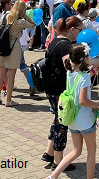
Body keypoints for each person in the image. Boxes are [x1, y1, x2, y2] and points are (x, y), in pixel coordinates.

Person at [46, 43, 99, 179]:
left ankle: (53, 176)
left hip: (72, 120)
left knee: (76, 151)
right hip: (85, 120)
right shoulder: (84, 77)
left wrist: (92, 71)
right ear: (84, 59)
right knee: (91, 151)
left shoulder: (70, 73)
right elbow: (83, 101)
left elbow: (80, 81)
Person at [41, 15, 85, 173]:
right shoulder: (66, 45)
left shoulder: (53, 41)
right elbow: (69, 65)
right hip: (60, 90)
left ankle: (49, 152)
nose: (81, 34)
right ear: (72, 30)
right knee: (62, 124)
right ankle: (58, 161)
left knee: (57, 120)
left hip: (50, 88)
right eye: (80, 30)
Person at [0, 0, 35, 107]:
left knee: (1, 73)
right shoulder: (20, 21)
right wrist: (25, 16)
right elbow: (33, 24)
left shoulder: (5, 17)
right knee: (11, 75)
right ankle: (8, 100)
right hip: (14, 47)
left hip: (3, 46)